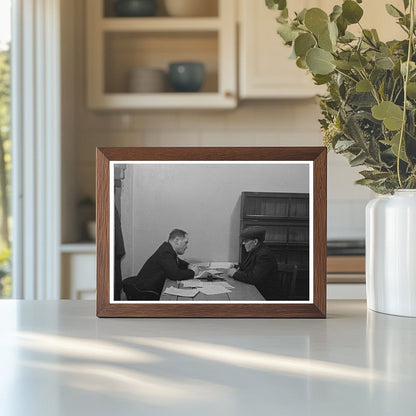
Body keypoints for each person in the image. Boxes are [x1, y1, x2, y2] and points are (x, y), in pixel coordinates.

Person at [122, 229, 198, 300]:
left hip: (148, 288)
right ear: (177, 240)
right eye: (185, 242)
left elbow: (177, 261)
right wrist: (193, 272)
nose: (186, 246)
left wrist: (188, 265)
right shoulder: (166, 253)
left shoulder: (167, 249)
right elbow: (175, 274)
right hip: (146, 293)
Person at [226, 226, 281, 300]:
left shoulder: (264, 254)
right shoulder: (256, 250)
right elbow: (248, 266)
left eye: (245, 241)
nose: (243, 243)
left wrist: (234, 273)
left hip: (265, 296)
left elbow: (253, 278)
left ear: (255, 241)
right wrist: (237, 267)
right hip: (256, 290)